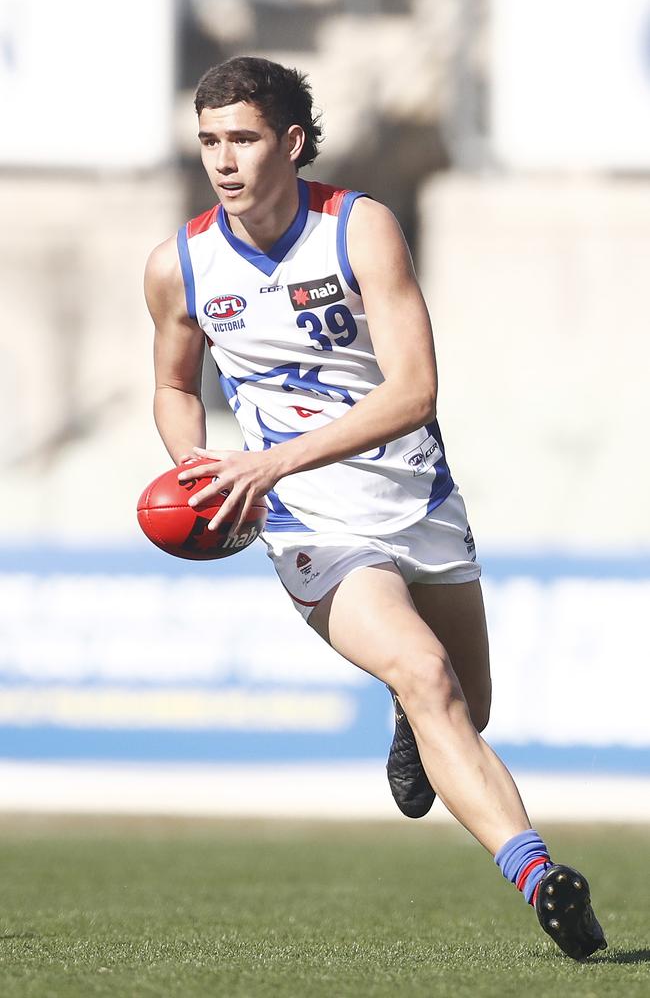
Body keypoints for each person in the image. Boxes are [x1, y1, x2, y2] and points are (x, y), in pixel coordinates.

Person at [144, 56, 606, 961]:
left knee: (467, 704)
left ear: (292, 142)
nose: (224, 162)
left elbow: (415, 392)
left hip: (416, 496)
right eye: (209, 142)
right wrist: (203, 469)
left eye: (243, 139)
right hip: (307, 524)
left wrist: (271, 456)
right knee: (428, 676)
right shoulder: (180, 265)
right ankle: (542, 877)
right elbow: (171, 383)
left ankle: (412, 715)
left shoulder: (360, 231)